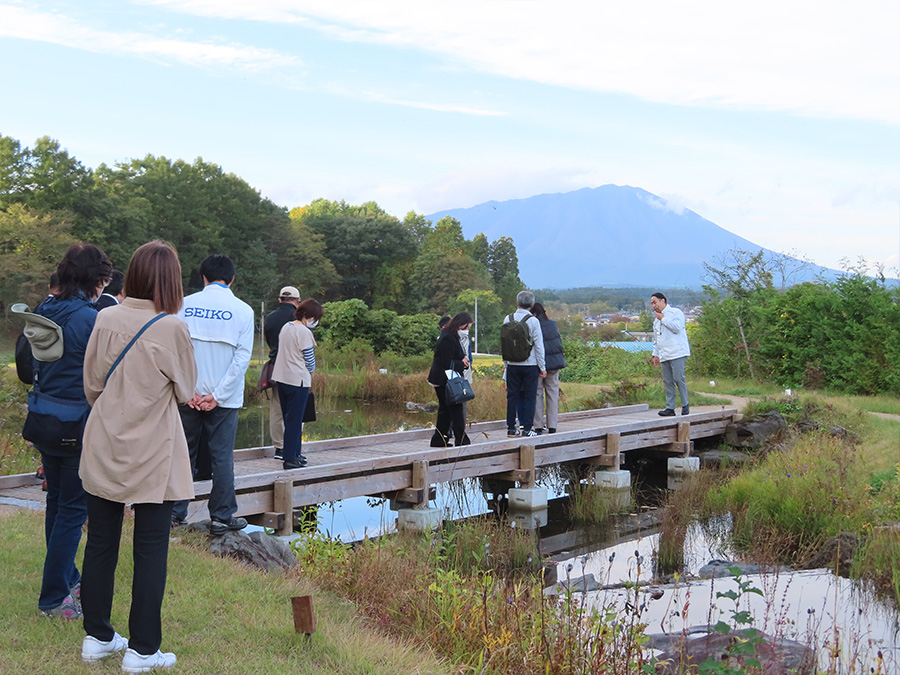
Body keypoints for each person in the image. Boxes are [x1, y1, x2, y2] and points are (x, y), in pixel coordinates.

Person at [79, 241, 196, 670]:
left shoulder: (105, 317)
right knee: (150, 549)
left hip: (106, 439)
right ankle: (143, 649)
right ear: (172, 280)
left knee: (100, 542)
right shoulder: (172, 327)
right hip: (154, 449)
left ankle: (98, 636)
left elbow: (92, 384)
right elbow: (186, 388)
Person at [24, 245, 112, 619]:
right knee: (73, 511)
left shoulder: (45, 309)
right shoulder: (90, 320)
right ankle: (54, 597)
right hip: (76, 423)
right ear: (96, 281)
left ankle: (65, 577)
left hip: (44, 417)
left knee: (58, 505)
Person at [171, 254, 254, 535]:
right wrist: (217, 395)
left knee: (183, 453)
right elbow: (242, 359)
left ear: (203, 277)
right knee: (222, 458)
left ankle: (174, 512)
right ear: (232, 279)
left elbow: (175, 350)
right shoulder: (243, 310)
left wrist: (190, 390)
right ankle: (222, 516)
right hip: (225, 399)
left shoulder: (183, 305)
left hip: (187, 395)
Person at [272, 298, 323, 470]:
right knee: (295, 420)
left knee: (289, 419)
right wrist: (312, 371)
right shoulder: (304, 332)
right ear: (309, 316)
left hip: (282, 378)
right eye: (315, 318)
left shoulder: (286, 327)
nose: (315, 321)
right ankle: (289, 458)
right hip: (298, 380)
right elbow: (309, 359)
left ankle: (295, 453)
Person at [263, 286, 301, 460]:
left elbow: (270, 342)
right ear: (297, 301)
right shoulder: (298, 319)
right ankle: (293, 449)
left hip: (274, 366)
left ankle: (279, 447)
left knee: (277, 408)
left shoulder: (269, 318)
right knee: (295, 409)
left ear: (279, 300)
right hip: (294, 368)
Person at [503, 291, 546, 438]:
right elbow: (539, 346)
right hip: (530, 364)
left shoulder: (507, 318)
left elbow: (505, 343)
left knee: (512, 396)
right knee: (530, 397)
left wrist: (506, 363)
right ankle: (527, 429)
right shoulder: (533, 321)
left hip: (512, 364)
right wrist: (543, 367)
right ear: (532, 304)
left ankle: (511, 428)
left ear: (517, 303)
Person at [428, 312, 473, 447]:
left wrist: (462, 362)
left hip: (444, 378)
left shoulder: (451, 336)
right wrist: (462, 363)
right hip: (443, 379)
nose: (467, 331)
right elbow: (446, 361)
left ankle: (440, 439)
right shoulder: (448, 338)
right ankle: (461, 439)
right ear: (459, 325)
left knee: (446, 411)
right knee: (455, 409)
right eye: (466, 328)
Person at [650, 292, 691, 416]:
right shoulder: (656, 321)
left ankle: (685, 405)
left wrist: (663, 318)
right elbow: (657, 339)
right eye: (652, 303)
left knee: (679, 378)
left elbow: (677, 328)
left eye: (655, 302)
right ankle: (670, 408)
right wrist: (655, 354)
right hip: (664, 354)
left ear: (662, 301)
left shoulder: (675, 313)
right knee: (668, 381)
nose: (653, 306)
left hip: (677, 352)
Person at [530, 303, 565, 433]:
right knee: (552, 394)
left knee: (537, 394)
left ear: (533, 314)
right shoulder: (553, 324)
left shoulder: (533, 325)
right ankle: (552, 425)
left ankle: (538, 425)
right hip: (555, 364)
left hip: (538, 364)